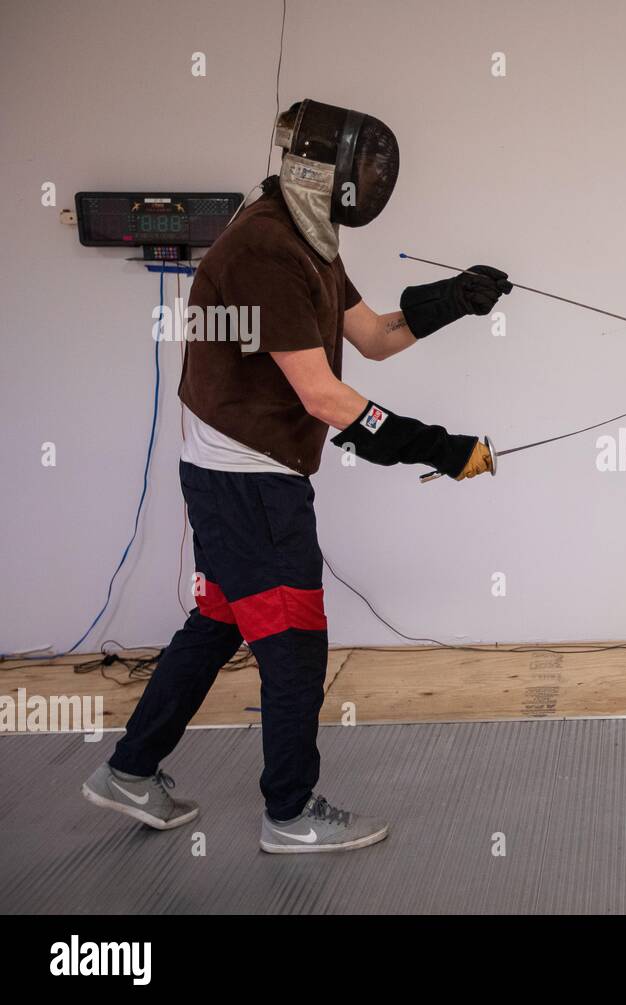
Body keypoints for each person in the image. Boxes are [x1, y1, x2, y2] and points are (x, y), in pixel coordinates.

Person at [81, 99, 513, 853]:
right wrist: (440, 448)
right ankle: (290, 812)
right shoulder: (266, 249)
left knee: (218, 622)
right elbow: (324, 396)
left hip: (235, 474)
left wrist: (453, 300)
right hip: (247, 479)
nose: (373, 179)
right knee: (294, 641)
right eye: (365, 166)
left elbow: (374, 338)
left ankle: (129, 771)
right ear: (327, 168)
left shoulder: (307, 238)